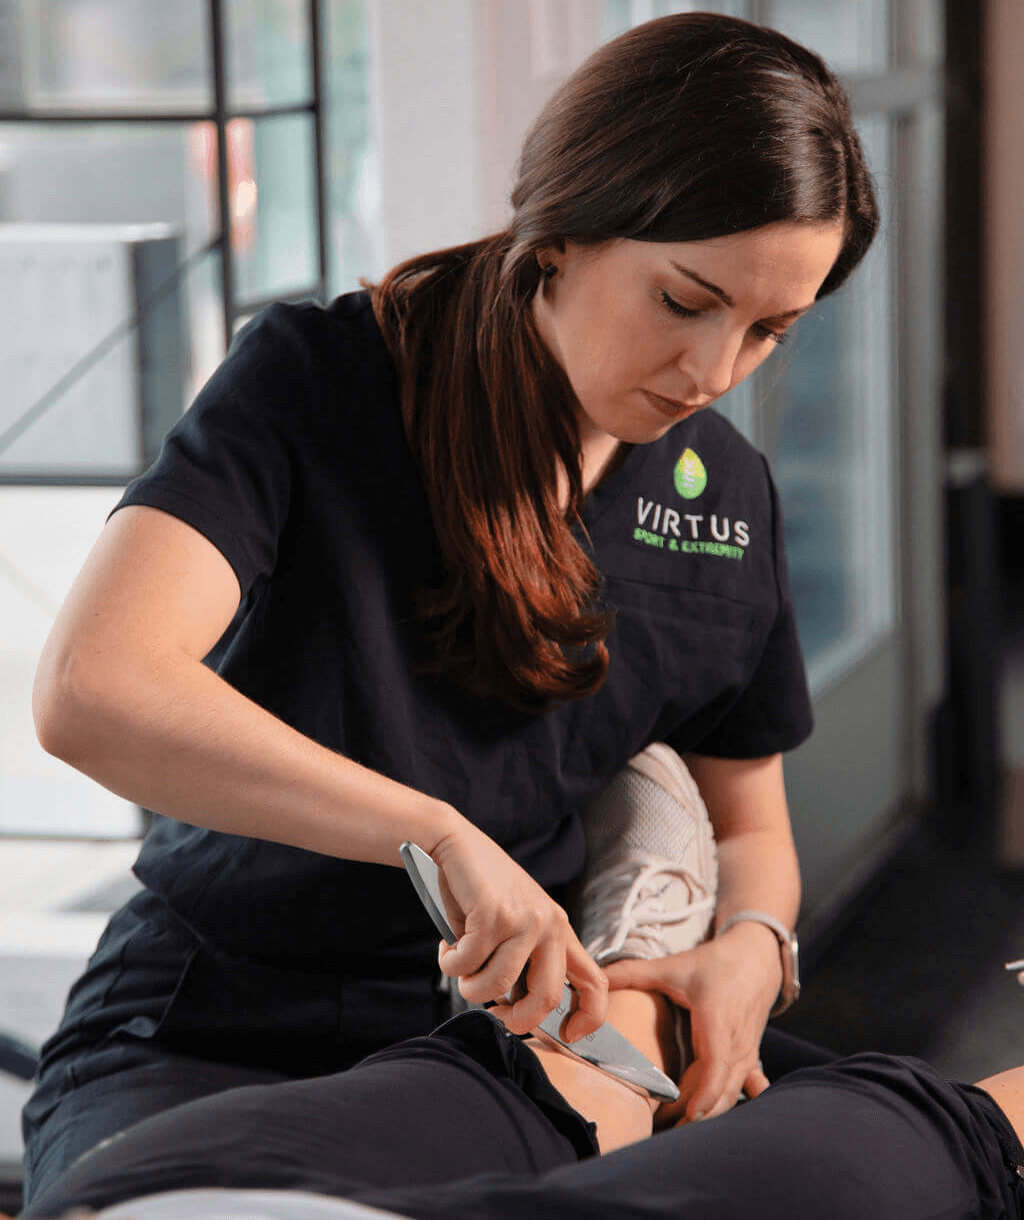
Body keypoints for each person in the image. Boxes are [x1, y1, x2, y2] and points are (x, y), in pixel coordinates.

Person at [21, 9, 879, 1206]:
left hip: (520, 1043)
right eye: (685, 300)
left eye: (769, 328)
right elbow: (93, 689)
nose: (714, 373)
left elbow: (750, 828)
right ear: (565, 232)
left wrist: (752, 944)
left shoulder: (724, 495)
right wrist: (432, 832)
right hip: (219, 1021)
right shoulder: (319, 381)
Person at [16, 984, 1024, 1220]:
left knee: (550, 1073)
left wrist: (755, 935)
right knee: (947, 1133)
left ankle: (642, 974)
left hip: (151, 1201)